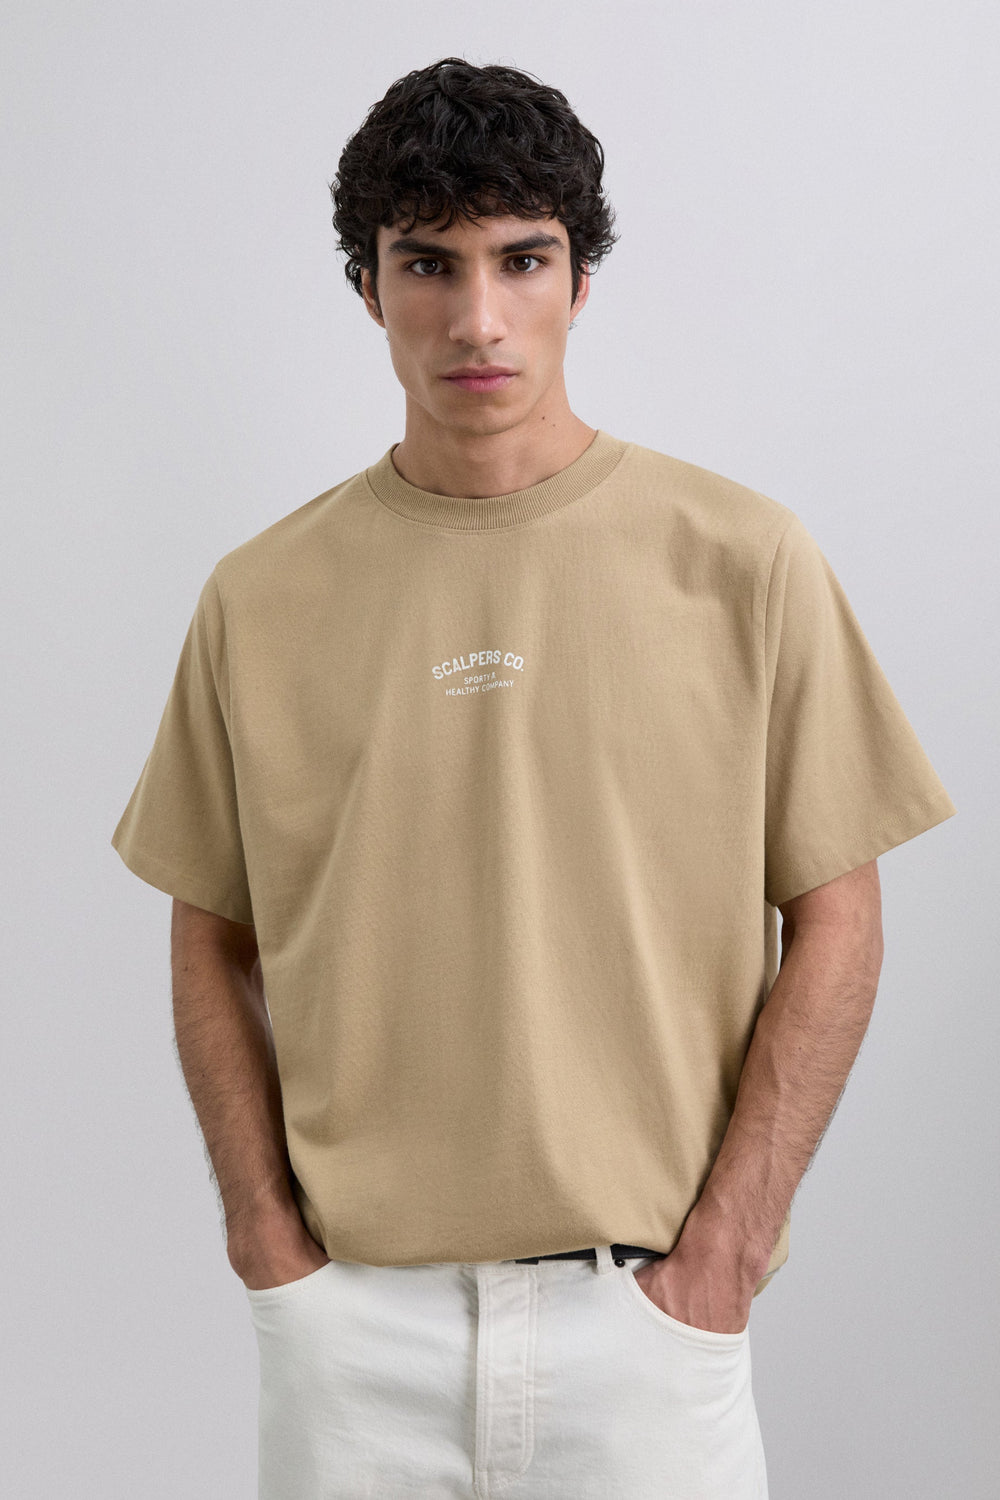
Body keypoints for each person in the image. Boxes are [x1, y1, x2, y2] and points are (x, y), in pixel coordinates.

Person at [111, 56, 957, 1500]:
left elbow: (839, 916)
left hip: (647, 1326)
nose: (478, 318)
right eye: (427, 263)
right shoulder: (260, 597)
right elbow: (210, 931)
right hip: (354, 1338)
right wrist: (265, 1236)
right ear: (368, 288)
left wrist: (728, 1248)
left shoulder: (741, 561)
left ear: (581, 278)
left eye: (522, 258)